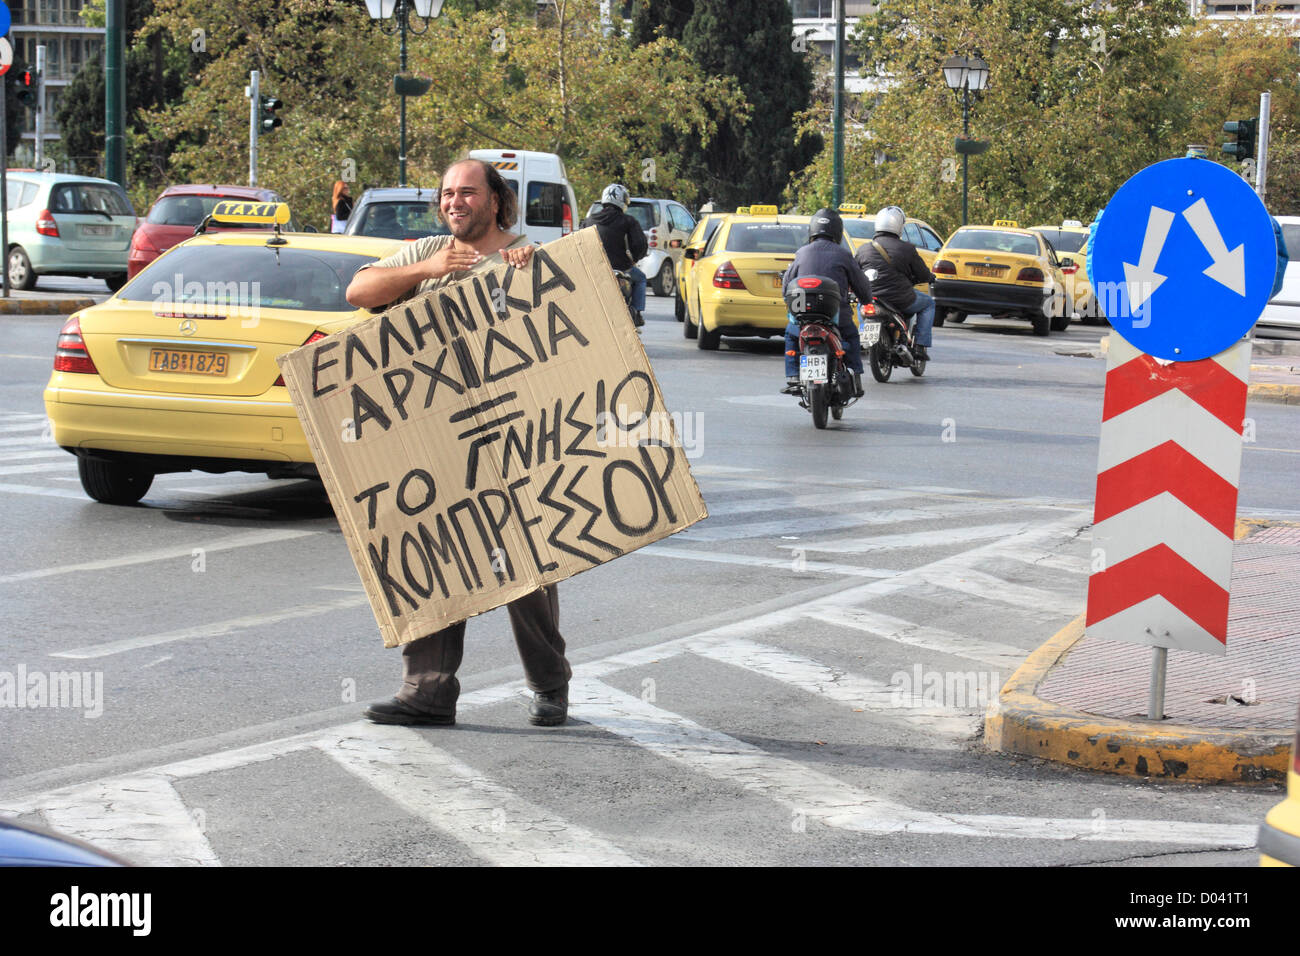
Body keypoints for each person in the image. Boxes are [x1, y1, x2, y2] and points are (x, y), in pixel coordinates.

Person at [345, 158, 572, 728]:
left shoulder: (528, 256)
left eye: (467, 192)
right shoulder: (425, 252)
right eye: (447, 193)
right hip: (435, 440)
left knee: (522, 567)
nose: (454, 202)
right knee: (435, 551)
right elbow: (359, 289)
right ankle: (427, 690)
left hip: (511, 437)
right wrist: (426, 270)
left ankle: (549, 684)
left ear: (496, 200)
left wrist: (526, 274)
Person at [782, 208, 873, 397]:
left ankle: (792, 376)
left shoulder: (801, 252)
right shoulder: (844, 255)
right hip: (836, 315)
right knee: (852, 337)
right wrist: (865, 299)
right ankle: (856, 375)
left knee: (791, 335)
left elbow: (786, 285)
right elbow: (861, 285)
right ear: (837, 231)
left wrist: (787, 300)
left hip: (802, 316)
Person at [853, 206, 936, 362]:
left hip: (870, 298)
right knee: (928, 304)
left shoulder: (863, 250)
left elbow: (854, 274)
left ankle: (862, 333)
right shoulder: (907, 249)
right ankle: (920, 345)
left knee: (861, 304)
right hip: (901, 299)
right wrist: (930, 277)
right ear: (899, 226)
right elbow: (922, 274)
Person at [582, 183, 649, 325]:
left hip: (593, 269)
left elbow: (577, 243)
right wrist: (635, 259)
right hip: (621, 269)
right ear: (622, 200)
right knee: (641, 278)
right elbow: (640, 245)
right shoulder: (628, 221)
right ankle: (636, 313)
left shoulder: (589, 221)